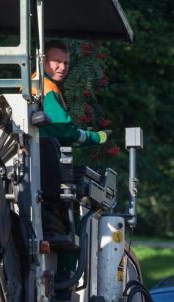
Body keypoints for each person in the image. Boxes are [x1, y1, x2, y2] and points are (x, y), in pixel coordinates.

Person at [35, 40, 110, 239]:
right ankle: (68, 269)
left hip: (41, 166)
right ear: (42, 61)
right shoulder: (47, 88)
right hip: (47, 169)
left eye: (66, 63)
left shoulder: (37, 83)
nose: (62, 67)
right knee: (66, 231)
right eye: (56, 61)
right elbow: (65, 131)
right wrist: (96, 137)